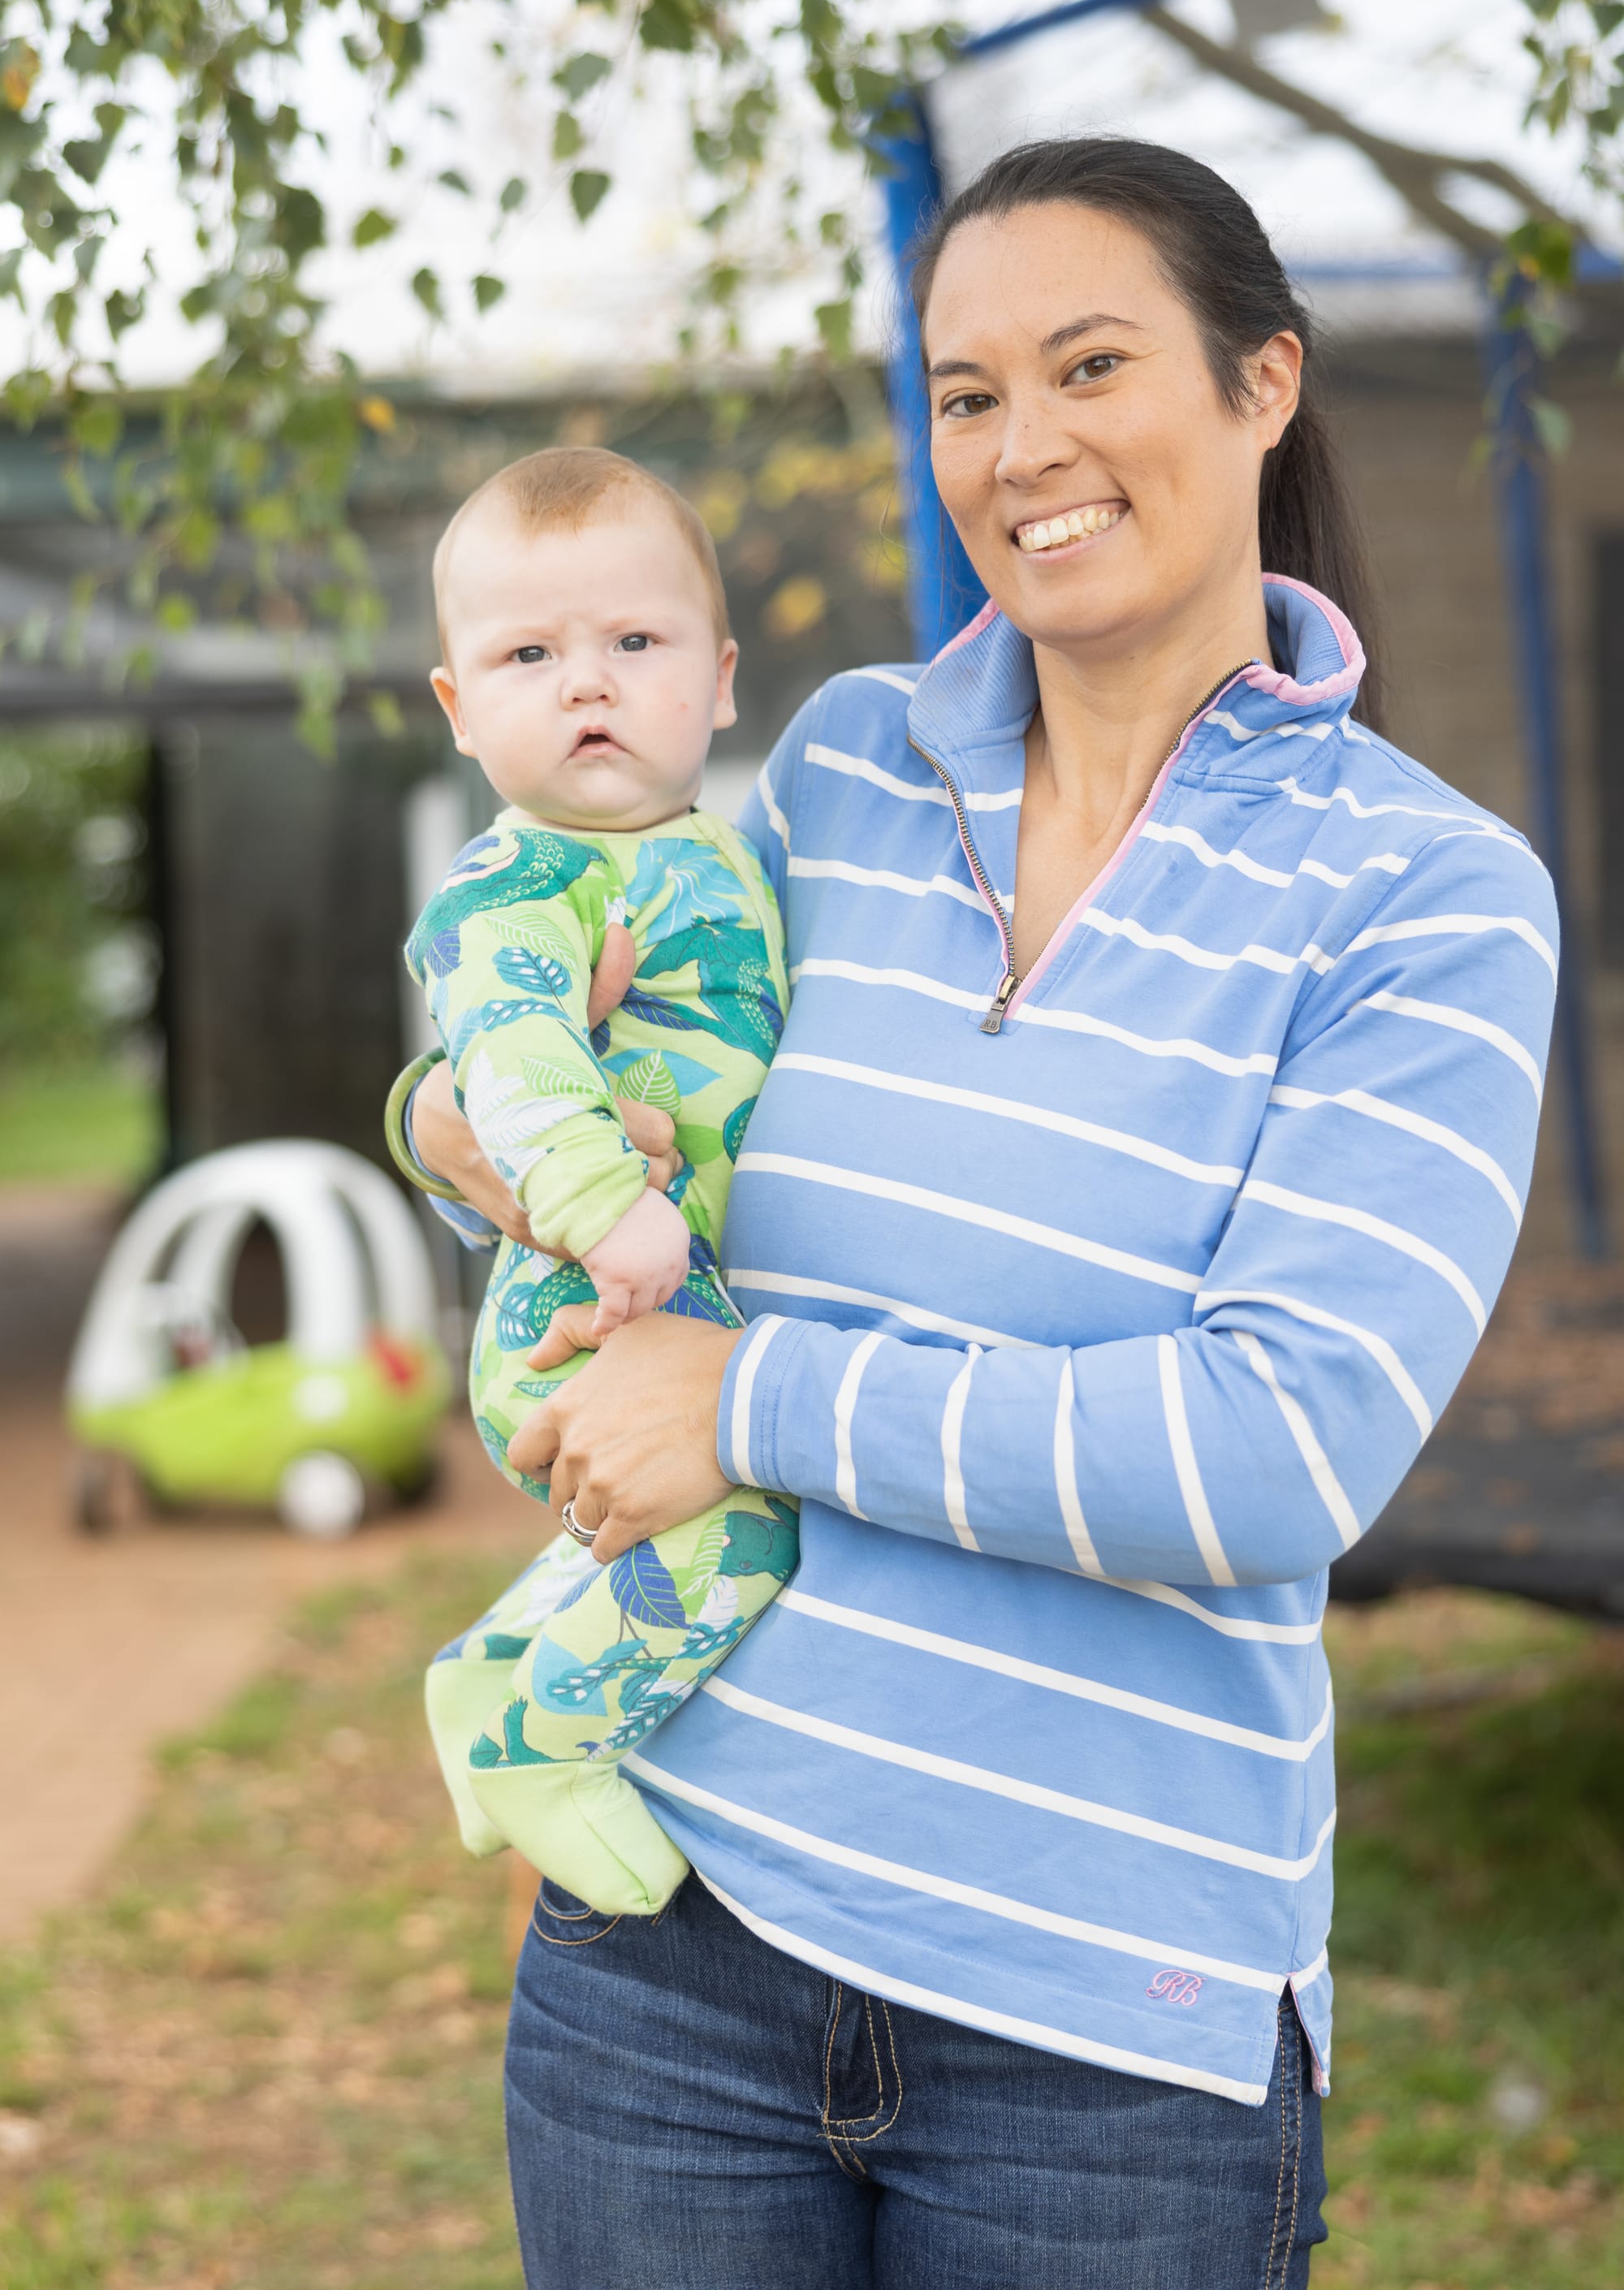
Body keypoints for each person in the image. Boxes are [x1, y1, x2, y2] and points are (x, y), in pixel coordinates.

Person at [404, 139, 1557, 2288]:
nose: (1019, 448)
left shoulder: (1431, 895)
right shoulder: (840, 768)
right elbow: (620, 1039)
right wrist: (454, 1127)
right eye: (961, 393)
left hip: (1102, 2041)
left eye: (1091, 364)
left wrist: (747, 1405)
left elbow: (1271, 1454)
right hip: (678, 1941)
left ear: (1264, 383)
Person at [398, 445, 794, 1917]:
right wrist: (604, 1214)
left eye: (636, 643)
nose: (589, 685)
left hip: (653, 1291)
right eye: (528, 654)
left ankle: (493, 1670)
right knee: (749, 1522)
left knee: (675, 1519)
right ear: (458, 706)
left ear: (723, 676)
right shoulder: (524, 882)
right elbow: (507, 1059)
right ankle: (550, 1744)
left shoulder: (717, 853)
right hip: (584, 1304)